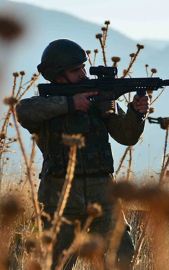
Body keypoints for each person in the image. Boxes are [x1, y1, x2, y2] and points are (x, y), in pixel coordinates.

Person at [15, 39, 149, 269]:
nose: (83, 74)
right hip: (60, 200)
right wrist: (70, 104)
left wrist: (136, 115)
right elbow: (23, 110)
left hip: (104, 198)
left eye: (83, 68)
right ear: (57, 76)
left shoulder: (99, 100)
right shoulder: (46, 106)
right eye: (75, 71)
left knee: (122, 259)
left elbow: (126, 136)